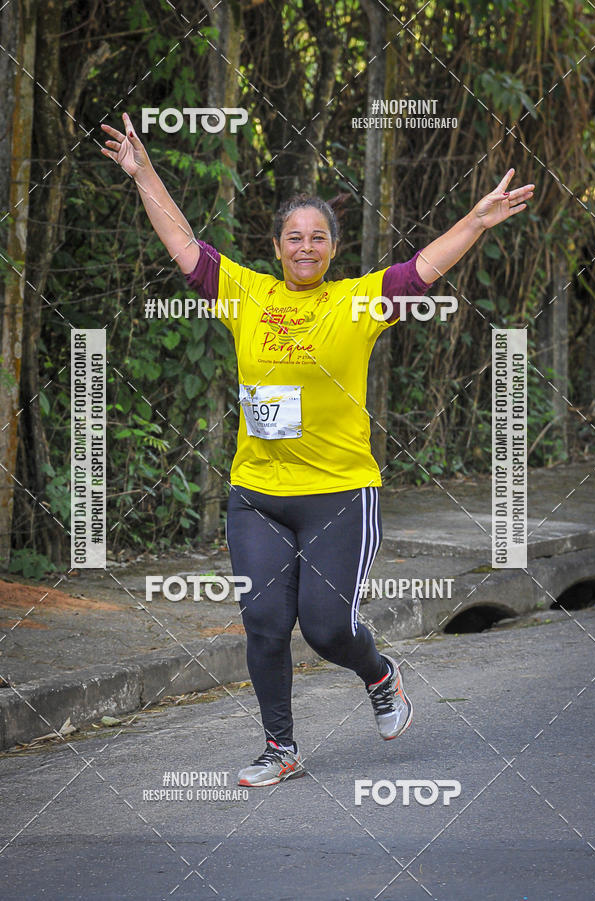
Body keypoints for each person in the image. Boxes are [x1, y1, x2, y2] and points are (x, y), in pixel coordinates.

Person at [101, 112, 535, 787]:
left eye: (319, 238)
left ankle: (380, 674)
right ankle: (281, 747)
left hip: (338, 494)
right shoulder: (247, 295)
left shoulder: (356, 303)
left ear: (333, 247)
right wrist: (144, 171)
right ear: (276, 246)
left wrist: (477, 221)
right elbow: (183, 241)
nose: (306, 247)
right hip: (257, 496)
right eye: (294, 237)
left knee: (328, 629)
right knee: (265, 622)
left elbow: (422, 269)